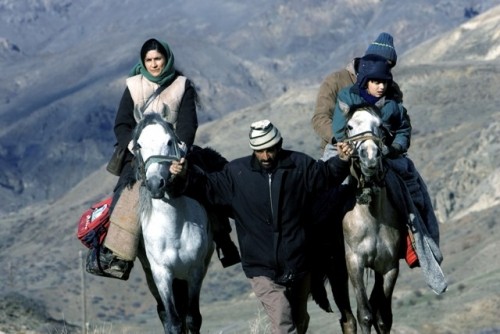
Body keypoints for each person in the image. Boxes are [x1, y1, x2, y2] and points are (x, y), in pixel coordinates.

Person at [170, 119, 354, 334]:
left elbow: (325, 177)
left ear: (280, 144)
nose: (265, 156)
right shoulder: (237, 173)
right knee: (284, 323)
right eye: (259, 151)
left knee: (299, 320)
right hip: (261, 268)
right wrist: (184, 175)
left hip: (299, 262)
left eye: (270, 150)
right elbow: (207, 187)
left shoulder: (300, 165)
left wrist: (342, 159)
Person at [95, 38, 240, 279]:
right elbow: (122, 123)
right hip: (142, 153)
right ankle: (119, 254)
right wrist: (133, 146)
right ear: (143, 62)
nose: (154, 64)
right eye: (149, 60)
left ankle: (224, 240)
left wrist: (180, 151)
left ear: (167, 59)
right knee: (123, 192)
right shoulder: (133, 86)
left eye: (158, 59)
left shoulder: (182, 86)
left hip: (175, 149)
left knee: (205, 183)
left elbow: (187, 122)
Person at [332, 53, 442, 269]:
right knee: (328, 188)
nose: (381, 86)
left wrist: (394, 148)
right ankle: (327, 244)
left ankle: (417, 239)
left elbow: (403, 129)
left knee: (412, 185)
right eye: (376, 82)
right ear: (365, 81)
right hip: (352, 154)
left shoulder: (392, 105)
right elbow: (338, 126)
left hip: (386, 155)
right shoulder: (348, 98)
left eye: (384, 82)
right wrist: (347, 146)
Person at [312, 32, 403, 160]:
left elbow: (399, 124)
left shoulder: (391, 89)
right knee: (325, 177)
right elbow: (320, 118)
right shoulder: (336, 81)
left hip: (380, 152)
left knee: (408, 175)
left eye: (388, 66)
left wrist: (395, 146)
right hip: (340, 151)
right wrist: (340, 141)